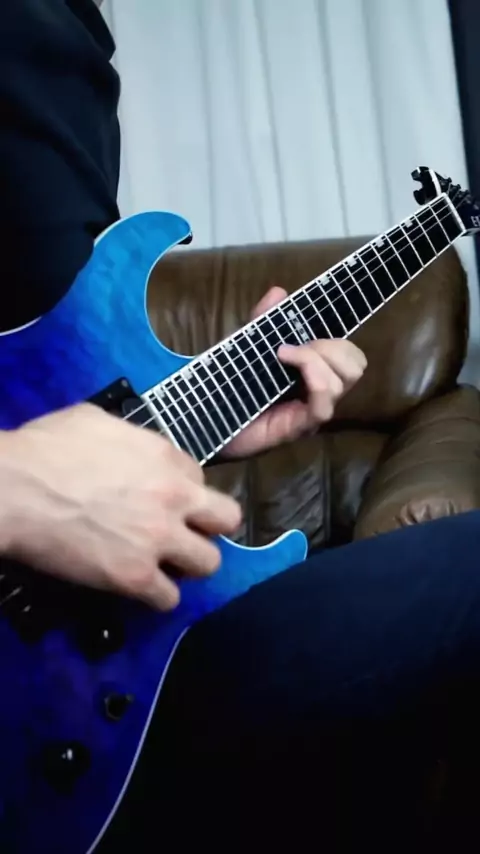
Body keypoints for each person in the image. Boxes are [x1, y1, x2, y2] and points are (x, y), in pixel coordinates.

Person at [1, 2, 480, 851]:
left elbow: (44, 370)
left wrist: (189, 425)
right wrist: (19, 488)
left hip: (109, 662)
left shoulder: (68, 29)